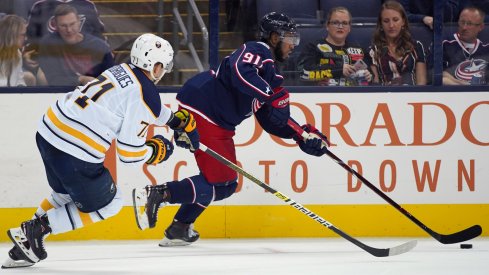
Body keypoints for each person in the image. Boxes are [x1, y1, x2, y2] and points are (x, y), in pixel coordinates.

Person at [132, 12, 330, 247]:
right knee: (223, 182)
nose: (292, 46)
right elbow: (239, 69)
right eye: (290, 39)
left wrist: (302, 136)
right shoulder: (259, 50)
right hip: (206, 110)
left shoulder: (271, 75)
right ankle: (160, 194)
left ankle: (180, 227)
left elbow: (271, 118)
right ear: (275, 37)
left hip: (213, 116)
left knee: (223, 182)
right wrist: (269, 95)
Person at [2, 33, 199, 268]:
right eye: (162, 66)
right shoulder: (145, 95)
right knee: (111, 203)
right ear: (155, 66)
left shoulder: (121, 70)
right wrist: (157, 151)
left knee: (64, 196)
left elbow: (139, 105)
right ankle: (36, 229)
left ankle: (23, 246)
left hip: (49, 131)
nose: (163, 71)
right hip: (75, 149)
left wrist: (174, 120)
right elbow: (129, 155)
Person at [38, 4, 114, 86]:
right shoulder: (49, 44)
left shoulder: (99, 46)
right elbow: (53, 80)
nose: (69, 30)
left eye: (72, 24)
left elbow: (111, 77)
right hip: (61, 93)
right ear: (55, 26)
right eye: (63, 26)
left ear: (79, 22)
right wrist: (81, 79)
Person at [296, 6, 373, 86]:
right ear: (327, 25)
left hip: (353, 95)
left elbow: (371, 77)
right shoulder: (313, 47)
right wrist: (339, 70)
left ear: (349, 28)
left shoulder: (359, 50)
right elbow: (303, 73)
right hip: (324, 95)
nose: (340, 26)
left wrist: (368, 77)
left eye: (345, 23)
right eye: (335, 22)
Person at [367, 0, 427, 85]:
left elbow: (422, 85)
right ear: (381, 24)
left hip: (412, 96)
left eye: (395, 20)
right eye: (386, 21)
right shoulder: (373, 51)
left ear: (403, 22)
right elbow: (375, 85)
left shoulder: (416, 46)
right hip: (385, 97)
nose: (391, 25)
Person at [442, 6, 489, 85]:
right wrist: (462, 85)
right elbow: (436, 74)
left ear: (481, 27)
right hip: (452, 92)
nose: (464, 27)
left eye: (469, 24)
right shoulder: (445, 44)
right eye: (462, 22)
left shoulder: (486, 48)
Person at [0, 15, 28, 86]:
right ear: (11, 35)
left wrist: (21, 87)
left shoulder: (17, 53)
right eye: (23, 35)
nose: (25, 39)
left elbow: (19, 80)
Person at [399, 0, 467, 29]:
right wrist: (423, 18)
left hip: (444, 37)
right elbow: (401, 15)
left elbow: (451, 16)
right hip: (414, 35)